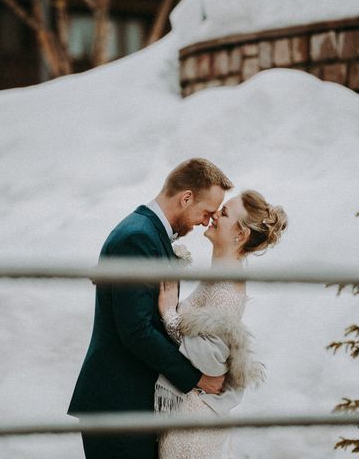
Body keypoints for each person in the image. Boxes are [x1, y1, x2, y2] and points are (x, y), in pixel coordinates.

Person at [68, 158, 234, 459]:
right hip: (118, 405)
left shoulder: (146, 233)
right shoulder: (138, 238)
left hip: (129, 403)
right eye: (207, 213)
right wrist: (197, 378)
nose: (207, 222)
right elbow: (136, 330)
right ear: (186, 198)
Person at [155, 189, 288, 459]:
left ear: (241, 235)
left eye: (224, 213)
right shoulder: (220, 276)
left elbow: (209, 358)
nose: (215, 214)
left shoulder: (227, 289)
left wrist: (170, 314)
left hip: (192, 429)